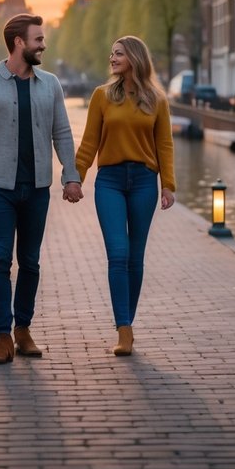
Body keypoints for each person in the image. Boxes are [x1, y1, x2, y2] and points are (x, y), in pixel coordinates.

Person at [0, 13, 84, 365]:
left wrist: (70, 176)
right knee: (0, 261)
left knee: (30, 262)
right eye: (38, 40)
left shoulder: (52, 85)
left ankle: (23, 330)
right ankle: (2, 336)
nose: (43, 45)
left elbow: (62, 133)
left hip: (38, 189)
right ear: (18, 42)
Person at [75, 35, 176, 357]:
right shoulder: (101, 96)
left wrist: (168, 184)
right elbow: (89, 142)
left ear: (134, 57)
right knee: (118, 253)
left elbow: (164, 145)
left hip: (145, 182)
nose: (112, 58)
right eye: (112, 53)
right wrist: (74, 179)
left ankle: (127, 324)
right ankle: (124, 329)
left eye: (118, 53)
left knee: (135, 258)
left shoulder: (157, 100)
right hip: (110, 182)